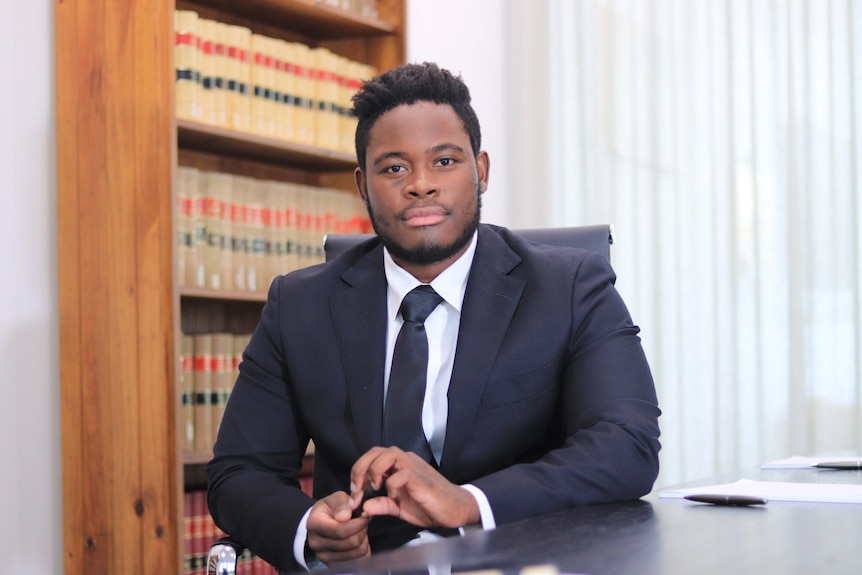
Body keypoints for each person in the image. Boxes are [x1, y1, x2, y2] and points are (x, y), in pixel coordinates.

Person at [207, 62, 661, 573]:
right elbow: (239, 471)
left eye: (444, 161)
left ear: (481, 170)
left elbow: (626, 444)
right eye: (394, 168)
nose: (421, 185)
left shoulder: (571, 286)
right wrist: (309, 525)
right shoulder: (299, 305)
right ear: (362, 183)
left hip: (520, 561)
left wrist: (467, 502)